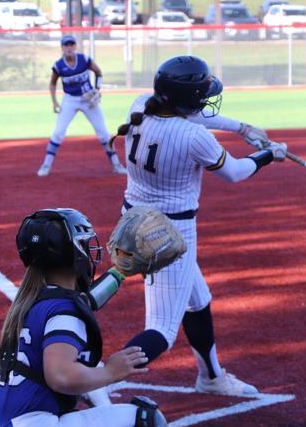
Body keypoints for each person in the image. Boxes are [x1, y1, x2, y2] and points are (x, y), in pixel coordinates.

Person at [108, 55, 287, 396]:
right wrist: (269, 155)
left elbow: (197, 114)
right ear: (189, 101)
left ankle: (211, 376)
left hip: (133, 218)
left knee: (198, 299)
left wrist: (243, 128)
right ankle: (93, 382)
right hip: (169, 234)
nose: (206, 100)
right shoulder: (193, 136)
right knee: (160, 331)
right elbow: (234, 173)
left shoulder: (141, 105)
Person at [0, 207, 173, 427]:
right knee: (144, 418)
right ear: (74, 255)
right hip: (28, 425)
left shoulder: (32, 298)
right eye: (85, 245)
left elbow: (85, 302)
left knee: (86, 373)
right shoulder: (65, 311)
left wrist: (119, 273)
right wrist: (110, 373)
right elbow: (60, 376)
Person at [37, 35, 127, 177]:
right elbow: (53, 83)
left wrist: (97, 89)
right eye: (66, 45)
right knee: (58, 132)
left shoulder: (84, 59)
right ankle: (46, 165)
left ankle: (116, 164)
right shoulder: (59, 65)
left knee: (103, 133)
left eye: (71, 44)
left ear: (75, 46)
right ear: (62, 48)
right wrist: (54, 101)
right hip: (70, 100)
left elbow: (98, 72)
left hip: (88, 100)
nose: (69, 48)